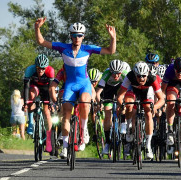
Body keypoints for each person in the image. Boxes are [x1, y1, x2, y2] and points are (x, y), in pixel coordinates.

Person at [36, 17, 116, 158]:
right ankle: (65, 147)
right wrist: (37, 28)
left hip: (84, 83)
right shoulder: (63, 47)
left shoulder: (88, 49)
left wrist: (112, 37)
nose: (77, 37)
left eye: (80, 35)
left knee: (85, 101)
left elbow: (110, 51)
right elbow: (41, 42)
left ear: (83, 36)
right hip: (70, 85)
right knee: (66, 113)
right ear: (71, 36)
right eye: (74, 35)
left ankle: (83, 130)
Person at [117, 61, 165, 159]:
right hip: (133, 92)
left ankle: (148, 146)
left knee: (148, 113)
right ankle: (129, 127)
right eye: (139, 76)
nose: (141, 78)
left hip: (147, 93)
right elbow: (120, 95)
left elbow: (161, 99)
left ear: (147, 74)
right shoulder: (130, 76)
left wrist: (154, 108)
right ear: (135, 74)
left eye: (144, 76)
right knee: (129, 104)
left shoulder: (152, 78)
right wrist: (123, 105)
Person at [95, 59, 128, 155]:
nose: (116, 76)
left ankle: (122, 124)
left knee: (122, 105)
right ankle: (107, 143)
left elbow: (129, 90)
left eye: (118, 73)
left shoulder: (125, 74)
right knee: (108, 114)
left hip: (120, 89)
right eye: (114, 73)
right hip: (108, 90)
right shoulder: (106, 74)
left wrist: (124, 103)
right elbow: (98, 93)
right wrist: (99, 103)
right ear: (110, 71)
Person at [23, 54, 55, 152]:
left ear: (46, 68)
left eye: (42, 69)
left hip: (46, 89)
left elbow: (51, 88)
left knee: (46, 112)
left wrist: (50, 103)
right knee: (31, 96)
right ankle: (31, 123)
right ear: (35, 66)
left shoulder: (50, 71)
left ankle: (49, 140)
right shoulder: (30, 70)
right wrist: (25, 103)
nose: (40, 70)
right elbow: (26, 88)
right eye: (38, 68)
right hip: (34, 86)